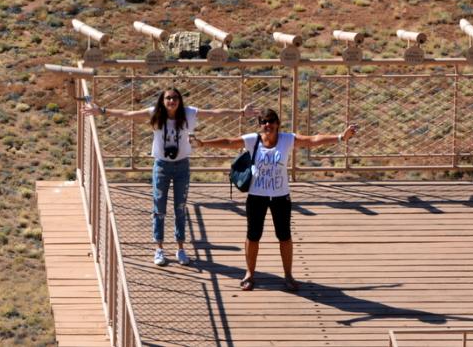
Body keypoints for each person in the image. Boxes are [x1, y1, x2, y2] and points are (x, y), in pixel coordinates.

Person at [83, 88, 258, 266]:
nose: (172, 101)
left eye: (175, 98)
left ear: (180, 100)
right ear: (162, 100)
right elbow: (129, 114)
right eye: (168, 98)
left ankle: (180, 248)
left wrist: (241, 113)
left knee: (180, 207)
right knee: (159, 207)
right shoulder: (155, 114)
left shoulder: (189, 113)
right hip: (161, 166)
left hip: (182, 165)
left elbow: (215, 113)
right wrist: (102, 111)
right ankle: (159, 249)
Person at [191, 108, 358, 291]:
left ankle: (288, 275)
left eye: (271, 121)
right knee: (253, 236)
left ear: (278, 124)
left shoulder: (287, 139)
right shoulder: (253, 140)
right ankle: (249, 274)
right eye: (263, 122)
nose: (267, 125)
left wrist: (341, 137)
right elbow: (230, 142)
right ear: (260, 125)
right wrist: (203, 143)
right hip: (256, 196)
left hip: (280, 196)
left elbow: (312, 140)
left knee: (284, 236)